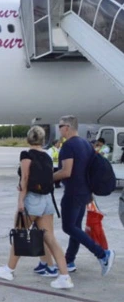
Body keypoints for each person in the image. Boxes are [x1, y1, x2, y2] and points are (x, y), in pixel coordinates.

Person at [0, 126, 73, 289]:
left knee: (20, 233)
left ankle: (9, 269)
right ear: (42, 140)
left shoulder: (26, 155)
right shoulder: (47, 155)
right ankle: (64, 276)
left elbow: (25, 177)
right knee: (51, 239)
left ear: (28, 139)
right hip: (47, 199)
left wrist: (21, 200)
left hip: (32, 199)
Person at [53, 115, 115, 276]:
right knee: (76, 228)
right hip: (85, 192)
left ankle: (102, 254)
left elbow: (66, 171)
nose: (59, 129)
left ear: (67, 127)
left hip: (73, 192)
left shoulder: (68, 146)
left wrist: (48, 177)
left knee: (69, 227)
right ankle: (69, 261)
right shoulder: (86, 144)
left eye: (60, 126)